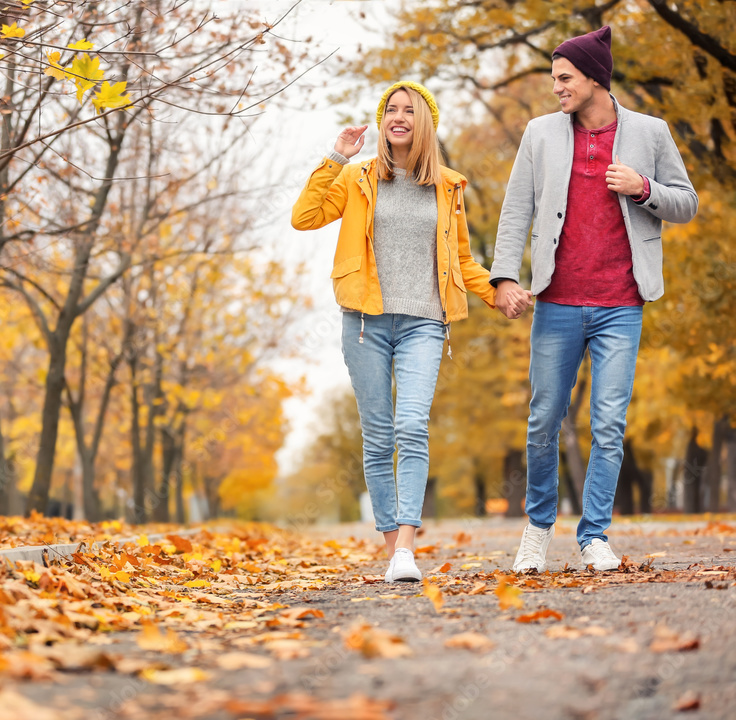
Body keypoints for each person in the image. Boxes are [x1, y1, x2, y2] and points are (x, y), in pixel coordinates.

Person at [489, 26, 698, 572]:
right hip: (557, 301)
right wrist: (503, 277)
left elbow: (687, 204)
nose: (556, 87)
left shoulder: (651, 132)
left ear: (594, 79)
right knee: (543, 420)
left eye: (564, 78)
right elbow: (516, 212)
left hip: (621, 303)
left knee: (609, 422)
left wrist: (643, 188)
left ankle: (594, 534)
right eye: (554, 78)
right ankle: (537, 527)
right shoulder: (539, 134)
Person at [291, 81, 498, 582]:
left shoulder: (448, 186)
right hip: (365, 322)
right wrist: (335, 158)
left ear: (425, 122)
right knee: (379, 436)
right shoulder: (359, 178)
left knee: (411, 425)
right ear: (381, 121)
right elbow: (305, 218)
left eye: (409, 111)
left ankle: (407, 543)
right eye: (391, 110)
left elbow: (461, 261)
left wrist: (499, 291)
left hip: (424, 322)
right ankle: (394, 553)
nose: (398, 117)